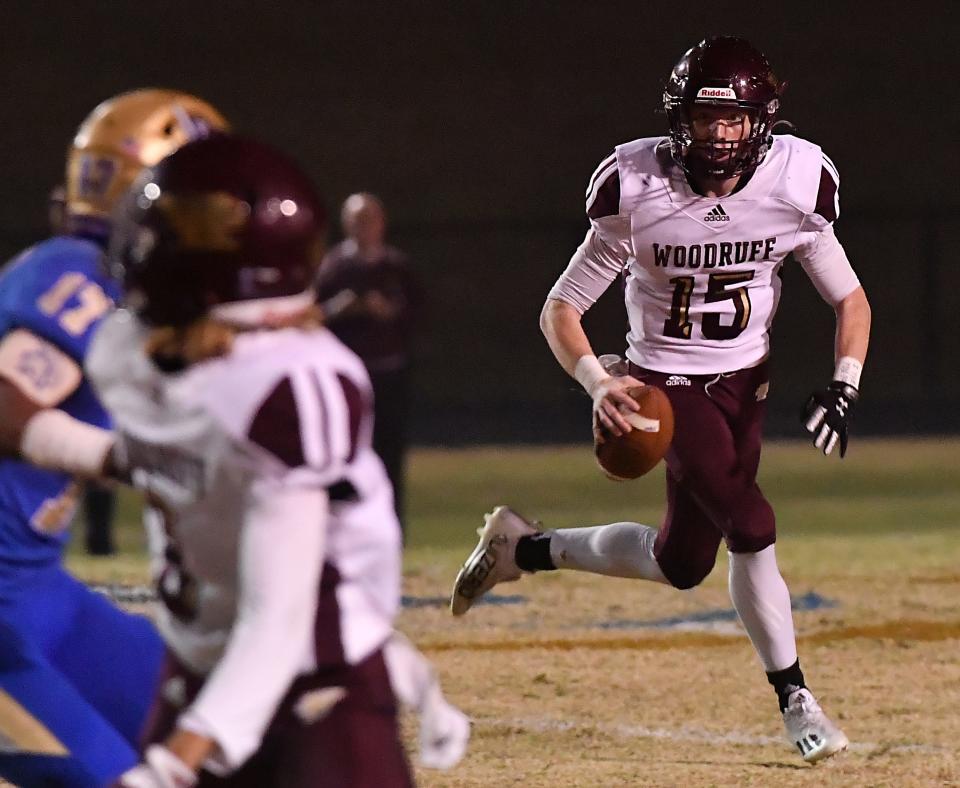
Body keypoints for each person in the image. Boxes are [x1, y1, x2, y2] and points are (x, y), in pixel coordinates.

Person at [450, 36, 871, 765]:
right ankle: (795, 697)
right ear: (678, 118)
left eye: (732, 120)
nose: (716, 135)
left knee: (682, 563)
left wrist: (845, 383)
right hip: (664, 381)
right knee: (752, 519)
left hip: (746, 378)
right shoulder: (636, 187)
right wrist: (600, 381)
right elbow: (561, 307)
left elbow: (850, 297)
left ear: (760, 121)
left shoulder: (798, 182)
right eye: (703, 120)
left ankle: (522, 546)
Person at [7, 135, 460, 786]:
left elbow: (281, 617)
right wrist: (40, 433)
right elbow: (165, 462)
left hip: (310, 685)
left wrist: (172, 765)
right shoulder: (139, 346)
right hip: (199, 657)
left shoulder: (288, 387)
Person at [0, 90, 229, 787]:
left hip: (36, 595)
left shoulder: (127, 299)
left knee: (213, 734)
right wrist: (115, 458)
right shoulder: (78, 274)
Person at [316, 194, 422, 533]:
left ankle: (391, 526)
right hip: (347, 376)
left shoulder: (396, 266)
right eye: (357, 220)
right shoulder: (334, 266)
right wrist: (338, 310)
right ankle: (344, 525)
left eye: (370, 219)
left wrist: (390, 313)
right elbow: (313, 316)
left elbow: (419, 315)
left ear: (382, 222)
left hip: (389, 372)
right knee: (342, 452)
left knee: (389, 449)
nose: (364, 228)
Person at [49, 181, 120, 556]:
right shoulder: (51, 261)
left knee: (99, 451)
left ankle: (99, 539)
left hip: (99, 368)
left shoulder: (111, 260)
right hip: (60, 366)